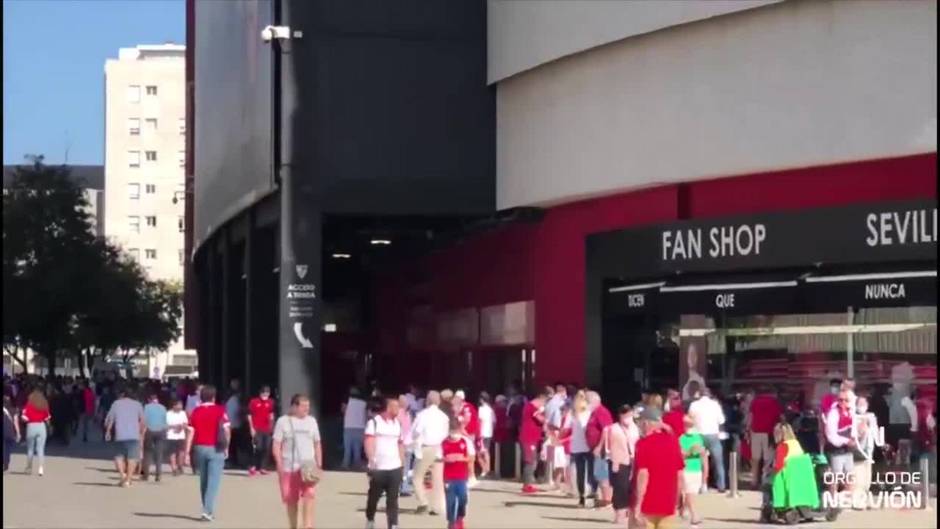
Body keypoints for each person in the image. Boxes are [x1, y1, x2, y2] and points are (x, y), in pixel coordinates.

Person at [272, 394, 323, 529]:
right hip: (289, 467)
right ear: (294, 406)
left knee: (309, 496)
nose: (307, 409)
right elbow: (276, 445)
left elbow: (317, 443)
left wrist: (319, 463)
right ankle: (293, 526)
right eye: (303, 406)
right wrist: (279, 463)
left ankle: (308, 525)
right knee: (291, 500)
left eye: (308, 406)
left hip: (308, 467)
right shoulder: (283, 421)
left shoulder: (312, 421)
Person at [632, 406, 685, 529]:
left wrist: (638, 504)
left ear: (646, 423)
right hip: (668, 501)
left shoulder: (643, 444)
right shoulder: (673, 442)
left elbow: (643, 475)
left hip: (648, 503)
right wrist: (679, 498)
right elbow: (680, 474)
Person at [185, 385, 231, 521]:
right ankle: (207, 510)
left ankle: (206, 507)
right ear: (214, 397)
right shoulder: (220, 410)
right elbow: (227, 430)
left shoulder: (196, 411)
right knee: (213, 481)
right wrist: (227, 447)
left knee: (204, 480)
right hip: (216, 448)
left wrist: (187, 452)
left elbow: (190, 432)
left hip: (199, 448)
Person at [364, 396, 404, 529]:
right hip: (378, 468)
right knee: (373, 497)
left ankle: (393, 524)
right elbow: (368, 442)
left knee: (393, 499)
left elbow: (400, 444)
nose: (398, 409)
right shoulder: (374, 423)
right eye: (395, 406)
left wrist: (402, 464)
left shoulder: (397, 424)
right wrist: (371, 460)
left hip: (394, 467)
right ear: (387, 407)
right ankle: (370, 519)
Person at [412, 390, 449, 515]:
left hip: (426, 447)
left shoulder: (423, 415)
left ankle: (423, 503)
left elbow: (416, 431)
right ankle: (438, 507)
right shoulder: (444, 416)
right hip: (439, 448)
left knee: (417, 477)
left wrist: (414, 441)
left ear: (427, 401)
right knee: (437, 479)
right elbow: (445, 433)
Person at [104, 386, 145, 486]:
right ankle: (128, 479)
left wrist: (108, 431)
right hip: (133, 435)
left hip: (120, 434)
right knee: (132, 458)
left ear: (122, 394)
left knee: (118, 456)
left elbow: (110, 419)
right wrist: (141, 432)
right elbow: (142, 421)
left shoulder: (116, 404)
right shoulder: (138, 404)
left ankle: (122, 475)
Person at [688, 387, 726, 492]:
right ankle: (721, 486)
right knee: (718, 461)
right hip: (713, 434)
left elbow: (690, 419)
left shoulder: (694, 405)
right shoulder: (715, 404)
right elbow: (721, 420)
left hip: (698, 434)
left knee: (700, 461)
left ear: (699, 394)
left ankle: (701, 484)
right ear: (709, 394)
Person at [606, 404, 639, 526]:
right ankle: (619, 512)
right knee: (620, 487)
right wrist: (614, 462)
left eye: (630, 415)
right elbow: (611, 446)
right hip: (619, 461)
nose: (628, 418)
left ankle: (628, 511)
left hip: (633, 460)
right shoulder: (614, 429)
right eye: (625, 415)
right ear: (620, 416)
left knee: (631, 487)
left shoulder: (635, 428)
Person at [852, 396, 885, 508]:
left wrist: (881, 443)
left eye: (863, 403)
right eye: (859, 403)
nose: (861, 406)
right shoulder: (854, 417)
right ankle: (857, 502)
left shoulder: (871, 417)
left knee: (867, 478)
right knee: (858, 477)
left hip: (869, 452)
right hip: (858, 451)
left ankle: (864, 500)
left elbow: (875, 431)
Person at [748, 385, 783, 488]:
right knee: (768, 459)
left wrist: (747, 430)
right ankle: (764, 481)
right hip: (769, 433)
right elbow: (780, 417)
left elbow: (750, 417)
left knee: (755, 458)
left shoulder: (755, 402)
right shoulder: (774, 402)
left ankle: (754, 481)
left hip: (755, 432)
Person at [824, 390, 857, 497]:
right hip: (835, 450)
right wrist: (847, 441)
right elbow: (831, 436)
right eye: (840, 400)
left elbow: (854, 430)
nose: (842, 402)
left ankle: (849, 499)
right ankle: (832, 500)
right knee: (835, 476)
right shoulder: (833, 414)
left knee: (850, 476)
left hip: (847, 450)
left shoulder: (851, 412)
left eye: (846, 400)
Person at [442, 418, 472, 529]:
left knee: (463, 498)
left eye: (456, 430)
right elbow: (439, 458)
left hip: (462, 476)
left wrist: (461, 458)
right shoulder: (443, 443)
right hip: (448, 477)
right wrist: (446, 459)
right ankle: (451, 521)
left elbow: (470, 458)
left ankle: (460, 517)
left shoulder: (465, 442)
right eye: (452, 431)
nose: (454, 434)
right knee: (450, 501)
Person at [678, 415, 707, 528]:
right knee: (690, 493)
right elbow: (680, 454)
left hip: (697, 468)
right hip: (687, 469)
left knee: (692, 492)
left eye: (690, 424)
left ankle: (683, 509)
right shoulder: (680, 438)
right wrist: (691, 451)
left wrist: (705, 472)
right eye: (686, 424)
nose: (688, 426)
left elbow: (703, 455)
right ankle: (694, 515)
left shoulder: (698, 437)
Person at [585, 390, 613, 506]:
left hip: (600, 449)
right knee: (598, 474)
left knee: (602, 474)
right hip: (594, 448)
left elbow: (606, 430)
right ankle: (604, 499)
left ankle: (607, 500)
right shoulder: (594, 412)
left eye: (586, 401)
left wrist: (599, 446)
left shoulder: (601, 412)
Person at [518, 389, 548, 494]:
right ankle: (527, 485)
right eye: (544, 401)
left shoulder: (530, 407)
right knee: (530, 461)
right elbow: (540, 419)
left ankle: (528, 483)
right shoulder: (531, 407)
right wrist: (546, 417)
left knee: (533, 460)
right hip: (528, 438)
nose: (544, 404)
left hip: (533, 438)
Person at [569, 390, 594, 507]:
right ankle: (589, 495)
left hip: (576, 446)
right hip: (588, 445)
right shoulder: (589, 413)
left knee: (580, 472)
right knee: (589, 472)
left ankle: (582, 497)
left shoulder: (572, 414)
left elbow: (565, 428)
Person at [452, 390, 479, 487]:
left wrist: (463, 429)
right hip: (461, 433)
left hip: (467, 434)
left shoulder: (467, 407)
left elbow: (467, 420)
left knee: (469, 455)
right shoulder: (458, 407)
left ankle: (471, 476)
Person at [248, 385, 276, 476]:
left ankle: (263, 467)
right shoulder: (254, 402)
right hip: (257, 428)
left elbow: (271, 415)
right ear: (260, 392)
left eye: (267, 392)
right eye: (264, 392)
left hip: (267, 429)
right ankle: (253, 466)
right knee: (257, 447)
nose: (265, 394)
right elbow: (249, 415)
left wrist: (272, 426)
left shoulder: (271, 402)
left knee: (266, 448)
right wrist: (251, 428)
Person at [22, 389, 51, 476]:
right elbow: (48, 418)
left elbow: (24, 417)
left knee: (30, 449)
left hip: (31, 426)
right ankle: (41, 469)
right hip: (41, 426)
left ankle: (29, 468)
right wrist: (49, 427)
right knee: (40, 449)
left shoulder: (28, 405)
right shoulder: (44, 404)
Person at [142, 393, 168, 482]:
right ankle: (158, 474)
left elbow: (144, 420)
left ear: (149, 400)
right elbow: (165, 421)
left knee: (147, 452)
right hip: (161, 431)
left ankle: (146, 474)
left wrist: (141, 432)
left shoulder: (146, 407)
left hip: (150, 431)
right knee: (159, 453)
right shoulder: (163, 407)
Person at [341, 387, 367, 470]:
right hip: (360, 427)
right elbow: (366, 415)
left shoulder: (347, 402)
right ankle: (357, 465)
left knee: (347, 448)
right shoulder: (364, 403)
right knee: (357, 448)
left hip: (348, 426)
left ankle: (345, 465)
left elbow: (343, 410)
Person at [166, 398, 189, 476]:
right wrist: (174, 427)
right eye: (179, 405)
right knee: (172, 453)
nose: (180, 406)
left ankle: (180, 465)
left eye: (181, 405)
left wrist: (181, 427)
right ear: (174, 405)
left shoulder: (183, 413)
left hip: (181, 435)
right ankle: (174, 468)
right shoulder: (168, 413)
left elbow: (186, 424)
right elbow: (166, 425)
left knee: (181, 452)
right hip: (171, 436)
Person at [397, 394, 414, 497]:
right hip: (402, 444)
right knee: (402, 467)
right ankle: (403, 487)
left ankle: (404, 487)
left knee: (405, 468)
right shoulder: (401, 414)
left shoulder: (407, 414)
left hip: (407, 444)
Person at [477, 392, 495, 479]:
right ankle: (487, 469)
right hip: (489, 432)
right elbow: (494, 422)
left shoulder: (481, 409)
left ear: (482, 400)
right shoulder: (491, 409)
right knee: (486, 451)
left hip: (482, 432)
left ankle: (484, 470)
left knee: (480, 452)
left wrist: (479, 432)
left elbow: (480, 421)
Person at [3, 395, 20, 472]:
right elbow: (16, 423)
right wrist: (18, 433)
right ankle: (6, 463)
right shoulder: (14, 410)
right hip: (10, 432)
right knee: (8, 449)